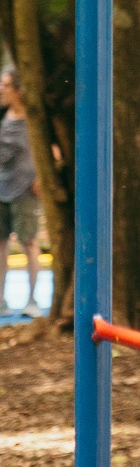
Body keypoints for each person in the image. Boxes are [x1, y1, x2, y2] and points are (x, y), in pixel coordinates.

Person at [0, 67, 43, 317]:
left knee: (29, 242)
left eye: (5, 85)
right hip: (2, 188)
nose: (1, 90)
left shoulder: (33, 119)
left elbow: (48, 150)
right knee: (1, 244)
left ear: (18, 90)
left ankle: (33, 300)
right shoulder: (3, 114)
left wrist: (39, 178)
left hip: (25, 189)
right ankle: (2, 300)